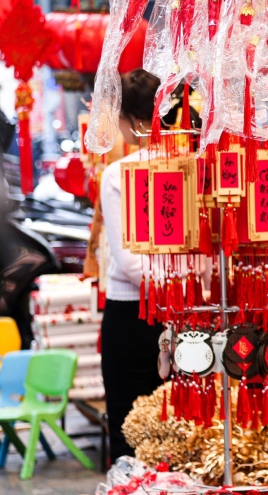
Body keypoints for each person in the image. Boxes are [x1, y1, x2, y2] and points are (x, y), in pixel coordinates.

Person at [99, 69, 201, 461]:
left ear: (132, 120)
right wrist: (183, 283)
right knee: (182, 434)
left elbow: (128, 264)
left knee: (130, 431)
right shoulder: (189, 166)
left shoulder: (118, 174)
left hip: (132, 315)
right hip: (186, 312)